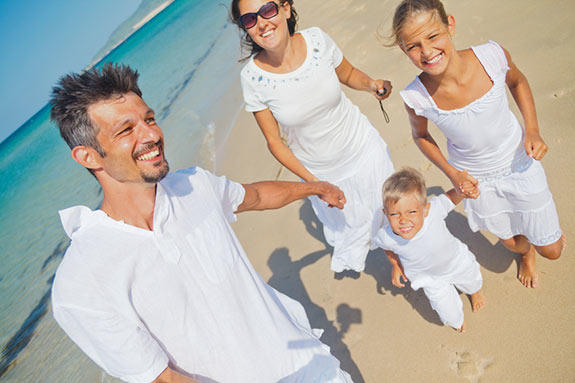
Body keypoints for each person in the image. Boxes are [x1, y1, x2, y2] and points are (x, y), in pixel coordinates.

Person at [49, 63, 354, 383]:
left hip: (309, 365)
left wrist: (316, 188)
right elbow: (162, 379)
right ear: (88, 157)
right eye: (127, 130)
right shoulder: (81, 282)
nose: (151, 135)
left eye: (149, 119)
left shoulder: (194, 185)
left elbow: (257, 196)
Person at [390, 0, 564, 288]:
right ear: (404, 50)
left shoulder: (492, 57)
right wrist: (452, 173)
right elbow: (421, 136)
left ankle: (541, 243)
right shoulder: (416, 97)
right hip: (476, 181)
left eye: (433, 36)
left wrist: (532, 129)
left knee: (554, 251)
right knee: (513, 243)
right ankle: (526, 253)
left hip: (518, 162)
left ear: (451, 26)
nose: (427, 51)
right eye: (414, 46)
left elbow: (518, 82)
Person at [231, 0, 395, 273]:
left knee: (392, 209)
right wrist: (316, 184)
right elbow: (274, 143)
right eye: (249, 19)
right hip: (323, 171)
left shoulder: (317, 40)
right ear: (245, 28)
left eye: (267, 10)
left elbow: (349, 74)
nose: (261, 22)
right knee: (358, 225)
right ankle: (393, 258)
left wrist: (372, 85)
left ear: (285, 9)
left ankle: (404, 259)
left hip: (364, 148)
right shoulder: (252, 78)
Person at [374, 168, 486, 332]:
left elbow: (450, 198)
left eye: (411, 212)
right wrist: (396, 266)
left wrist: (462, 191)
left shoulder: (433, 212)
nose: (404, 220)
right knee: (448, 314)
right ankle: (456, 320)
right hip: (429, 278)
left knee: (472, 281)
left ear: (424, 209)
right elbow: (386, 248)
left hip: (455, 261)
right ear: (385, 214)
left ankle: (474, 292)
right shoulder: (385, 236)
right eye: (395, 214)